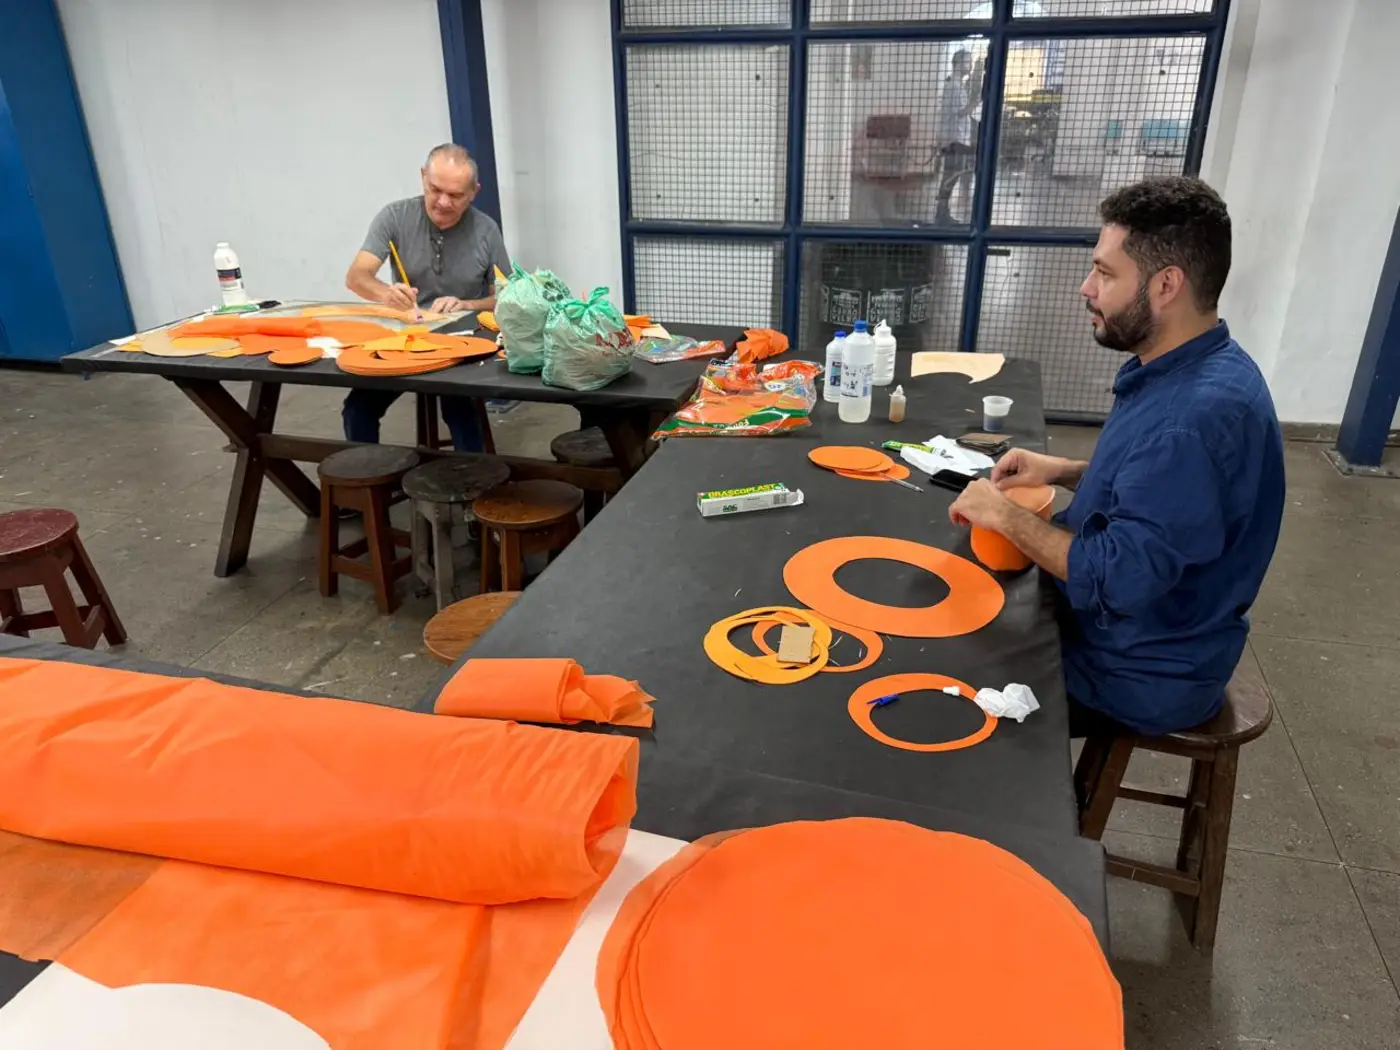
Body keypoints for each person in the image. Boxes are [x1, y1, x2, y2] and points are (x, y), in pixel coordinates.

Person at [948, 176, 1285, 737]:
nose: (1087, 287)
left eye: (1105, 273)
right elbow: (1166, 496)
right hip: (1148, 637)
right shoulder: (1202, 367)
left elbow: (1115, 580)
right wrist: (1067, 472)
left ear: (1166, 285)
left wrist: (1005, 516)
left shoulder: (1188, 422)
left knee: (938, 666)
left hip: (1131, 671)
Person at [341, 143, 510, 451]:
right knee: (358, 409)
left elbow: (506, 300)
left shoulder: (486, 230)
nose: (443, 202)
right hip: (408, 338)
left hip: (462, 343)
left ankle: (472, 478)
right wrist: (387, 294)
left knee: (461, 409)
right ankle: (367, 478)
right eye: (435, 190)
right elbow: (357, 277)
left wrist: (466, 304)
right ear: (423, 177)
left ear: (474, 192)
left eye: (455, 195)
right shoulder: (394, 217)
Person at [935, 50, 983, 223]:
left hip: (956, 137)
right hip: (954, 138)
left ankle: (942, 211)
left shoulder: (956, 85)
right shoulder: (954, 87)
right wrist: (977, 101)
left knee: (952, 174)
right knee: (951, 175)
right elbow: (961, 112)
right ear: (958, 63)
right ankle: (941, 212)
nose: (969, 66)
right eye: (967, 62)